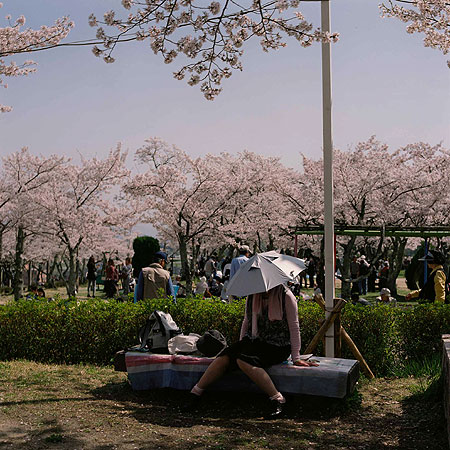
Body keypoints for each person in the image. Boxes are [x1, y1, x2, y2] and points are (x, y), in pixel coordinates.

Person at [182, 284, 318, 417]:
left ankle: (278, 399)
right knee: (226, 356)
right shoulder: (253, 295)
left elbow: (294, 327)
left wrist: (296, 358)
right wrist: (241, 345)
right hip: (255, 340)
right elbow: (246, 322)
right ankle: (195, 393)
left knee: (244, 360)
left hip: (279, 345)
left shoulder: (286, 296)